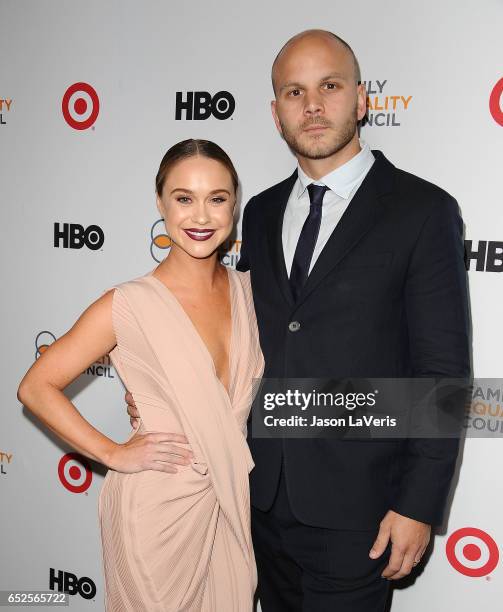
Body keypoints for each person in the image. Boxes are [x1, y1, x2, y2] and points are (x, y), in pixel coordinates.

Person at [126, 30, 471, 611]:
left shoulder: (423, 210)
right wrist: (163, 396)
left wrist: (418, 504)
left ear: (362, 100)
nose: (312, 106)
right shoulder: (257, 213)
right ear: (275, 112)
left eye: (329, 86)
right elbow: (235, 340)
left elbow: (443, 373)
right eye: (294, 92)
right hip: (255, 499)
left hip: (359, 514)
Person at [17, 139, 264, 611]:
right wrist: (113, 453)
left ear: (235, 204)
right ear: (160, 203)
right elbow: (35, 387)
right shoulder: (128, 304)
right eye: (183, 198)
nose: (201, 216)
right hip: (156, 513)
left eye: (217, 199)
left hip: (229, 504)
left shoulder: (251, 292)